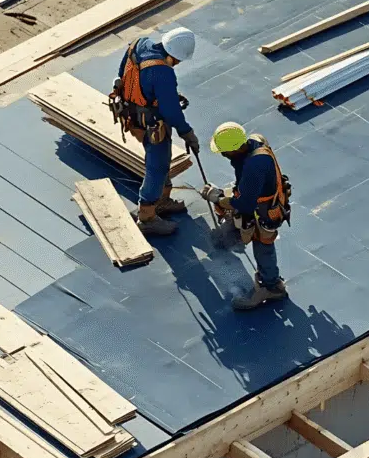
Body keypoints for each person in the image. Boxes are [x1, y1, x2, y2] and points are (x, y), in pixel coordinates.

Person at [113, 27, 200, 236]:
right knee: (158, 166)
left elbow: (122, 74)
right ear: (172, 54)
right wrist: (186, 132)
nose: (177, 64)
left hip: (132, 115)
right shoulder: (163, 72)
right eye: (177, 60)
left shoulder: (139, 44)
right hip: (152, 123)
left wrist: (158, 92)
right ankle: (147, 217)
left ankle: (162, 200)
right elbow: (170, 110)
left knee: (160, 162)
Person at [201, 122, 291, 310]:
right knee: (224, 235)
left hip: (264, 213)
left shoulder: (254, 165)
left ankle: (272, 286)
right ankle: (226, 240)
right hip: (258, 199)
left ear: (236, 148)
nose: (223, 155)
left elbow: (245, 204)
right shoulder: (254, 142)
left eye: (224, 151)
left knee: (263, 247)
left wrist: (217, 197)